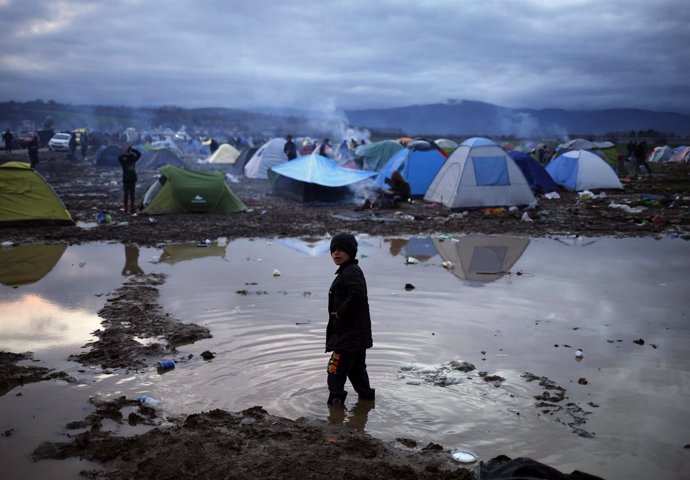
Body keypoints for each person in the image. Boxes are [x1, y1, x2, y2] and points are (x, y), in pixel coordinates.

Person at [325, 233, 375, 406]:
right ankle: (367, 401)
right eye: (333, 250)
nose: (336, 254)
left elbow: (358, 295)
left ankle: (335, 408)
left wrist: (340, 312)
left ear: (351, 252)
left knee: (335, 370)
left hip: (347, 336)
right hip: (356, 335)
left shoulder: (350, 272)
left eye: (341, 250)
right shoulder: (349, 271)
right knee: (356, 370)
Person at [118, 146, 141, 213]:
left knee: (128, 195)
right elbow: (139, 154)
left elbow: (119, 158)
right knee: (130, 195)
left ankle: (129, 208)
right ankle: (129, 208)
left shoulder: (125, 162)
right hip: (129, 180)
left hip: (128, 180)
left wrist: (129, 151)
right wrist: (130, 151)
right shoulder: (128, 162)